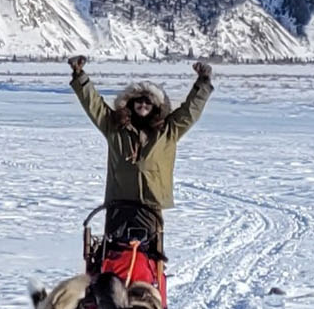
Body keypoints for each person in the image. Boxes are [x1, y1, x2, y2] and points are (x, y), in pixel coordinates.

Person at [70, 56, 214, 233]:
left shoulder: (167, 131)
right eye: (139, 101)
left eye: (148, 102)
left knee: (148, 254)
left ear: (155, 107)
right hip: (119, 203)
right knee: (115, 252)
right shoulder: (114, 126)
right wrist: (80, 76)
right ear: (131, 103)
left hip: (151, 206)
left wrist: (203, 82)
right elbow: (94, 105)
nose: (143, 105)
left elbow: (190, 111)